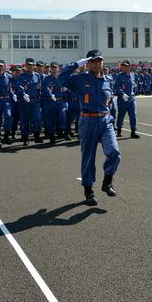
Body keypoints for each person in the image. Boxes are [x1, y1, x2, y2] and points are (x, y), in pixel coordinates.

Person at [57, 50, 120, 206]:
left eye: (100, 61)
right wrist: (77, 64)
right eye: (94, 61)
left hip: (105, 121)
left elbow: (109, 102)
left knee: (114, 152)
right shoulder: (79, 79)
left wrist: (111, 118)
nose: (98, 63)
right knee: (88, 157)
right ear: (88, 63)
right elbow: (61, 78)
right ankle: (88, 190)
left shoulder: (108, 80)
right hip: (88, 121)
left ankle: (107, 181)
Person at [42, 62, 69, 144]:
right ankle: (52, 136)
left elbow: (67, 88)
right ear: (50, 68)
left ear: (58, 69)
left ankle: (61, 129)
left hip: (61, 101)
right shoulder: (46, 79)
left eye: (55, 67)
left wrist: (66, 92)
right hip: (51, 101)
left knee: (63, 116)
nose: (54, 69)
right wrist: (51, 95)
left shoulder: (62, 78)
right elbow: (45, 88)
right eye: (52, 67)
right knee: (52, 120)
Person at [17, 58, 43, 145]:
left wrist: (39, 96)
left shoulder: (37, 75)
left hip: (35, 101)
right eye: (28, 65)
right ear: (26, 65)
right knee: (25, 121)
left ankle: (36, 136)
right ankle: (25, 138)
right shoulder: (22, 76)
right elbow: (19, 87)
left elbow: (39, 87)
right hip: (25, 102)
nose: (30, 66)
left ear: (34, 66)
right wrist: (23, 94)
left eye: (31, 65)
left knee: (37, 118)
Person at [114, 60, 140, 138]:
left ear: (129, 67)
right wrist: (122, 94)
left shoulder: (133, 75)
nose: (124, 67)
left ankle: (133, 131)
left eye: (125, 66)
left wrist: (134, 91)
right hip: (122, 99)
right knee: (121, 115)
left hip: (131, 99)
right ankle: (119, 130)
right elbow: (117, 87)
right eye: (123, 66)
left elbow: (135, 84)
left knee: (133, 115)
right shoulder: (119, 76)